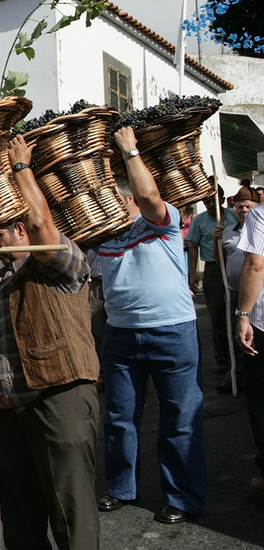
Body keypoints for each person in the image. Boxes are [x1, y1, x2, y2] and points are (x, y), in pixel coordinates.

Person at [0, 135, 100, 550]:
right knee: (19, 519)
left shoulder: (62, 260)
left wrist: (21, 168)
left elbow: (41, 228)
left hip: (59, 398)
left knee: (72, 516)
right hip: (9, 407)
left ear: (19, 229)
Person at [96, 127, 206, 525]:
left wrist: (129, 150)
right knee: (119, 417)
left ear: (126, 198)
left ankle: (182, 497)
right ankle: (121, 487)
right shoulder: (101, 238)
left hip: (172, 332)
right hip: (120, 335)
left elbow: (150, 197)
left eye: (114, 198)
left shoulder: (164, 221)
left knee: (180, 417)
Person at [186, 183, 237, 374]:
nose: (208, 203)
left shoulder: (233, 216)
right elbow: (193, 247)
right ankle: (223, 360)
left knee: (235, 313)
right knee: (217, 317)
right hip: (213, 270)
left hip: (232, 266)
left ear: (221, 200)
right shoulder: (199, 221)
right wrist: (192, 273)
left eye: (211, 199)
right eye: (205, 200)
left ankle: (238, 358)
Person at [215, 181, 259, 393]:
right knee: (234, 335)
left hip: (256, 295)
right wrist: (216, 242)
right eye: (240, 206)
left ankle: (253, 378)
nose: (243, 210)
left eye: (248, 205)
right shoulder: (228, 231)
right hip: (233, 291)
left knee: (255, 335)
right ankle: (236, 376)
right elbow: (220, 261)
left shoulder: (260, 230)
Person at [235, 202, 264, 494]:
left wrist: (243, 315)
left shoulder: (261, 214)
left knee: (259, 393)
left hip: (263, 320)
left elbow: (256, 264)